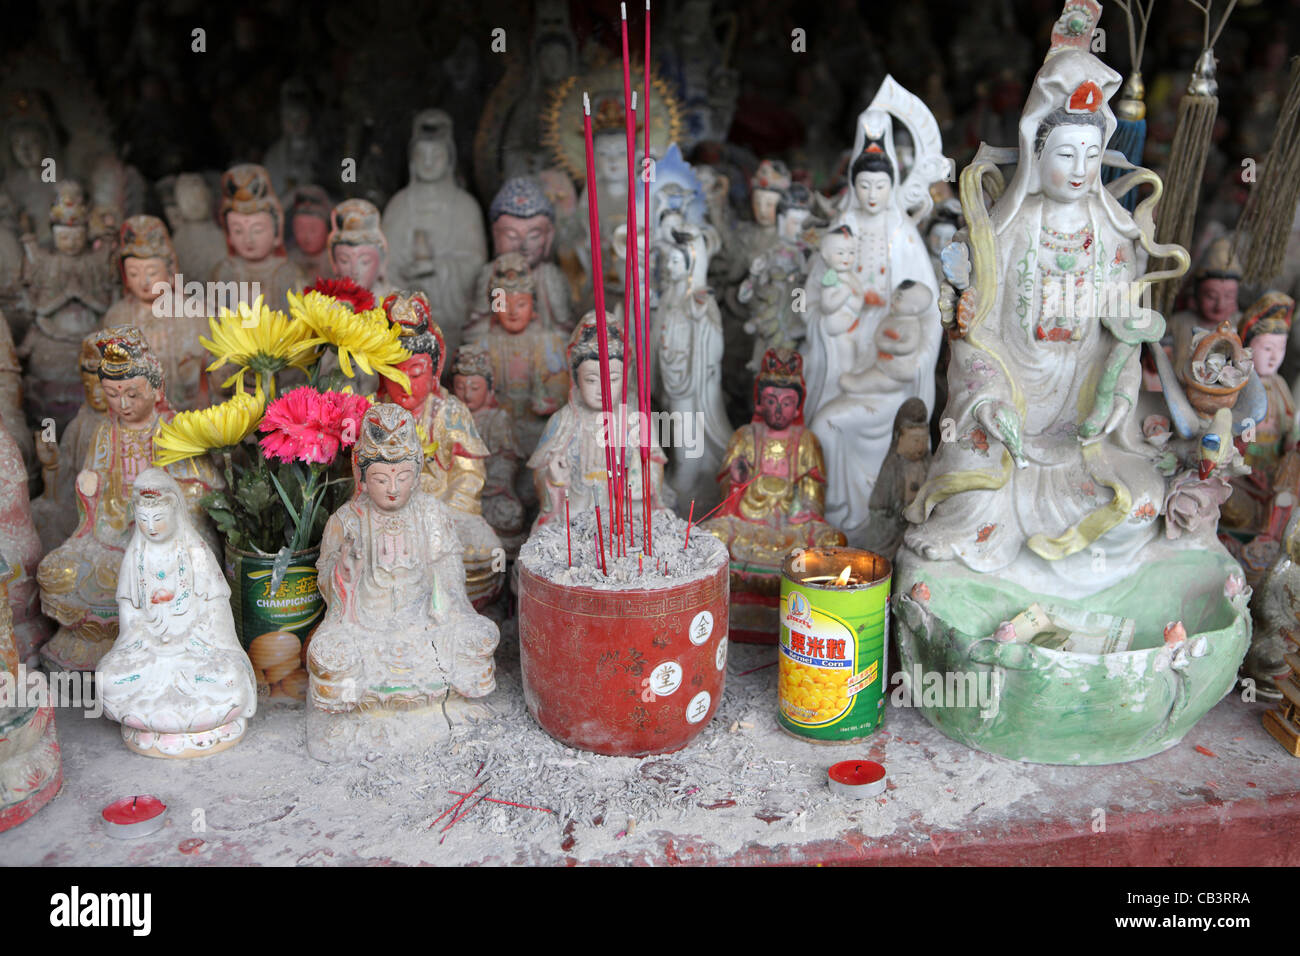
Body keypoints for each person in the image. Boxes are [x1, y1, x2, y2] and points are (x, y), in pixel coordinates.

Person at [307, 403, 499, 762]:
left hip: (424, 624)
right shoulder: (346, 520)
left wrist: (442, 602)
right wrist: (343, 574)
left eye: (403, 476)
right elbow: (326, 579)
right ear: (362, 478)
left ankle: (431, 711)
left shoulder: (431, 514)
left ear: (418, 473)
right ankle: (358, 718)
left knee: (478, 638)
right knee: (328, 655)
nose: (393, 488)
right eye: (381, 479)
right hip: (365, 627)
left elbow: (450, 575)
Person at [98, 468, 256, 758]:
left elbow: (216, 610)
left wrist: (188, 636)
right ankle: (175, 717)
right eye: (144, 520)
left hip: (197, 650)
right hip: (149, 652)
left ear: (176, 513)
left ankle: (163, 719)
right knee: (107, 679)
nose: (151, 527)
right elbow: (129, 620)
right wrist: (149, 638)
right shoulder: (136, 557)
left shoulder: (195, 553)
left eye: (158, 518)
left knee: (230, 678)